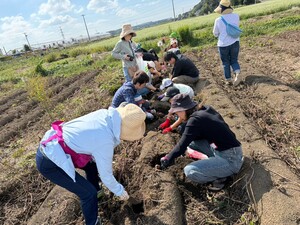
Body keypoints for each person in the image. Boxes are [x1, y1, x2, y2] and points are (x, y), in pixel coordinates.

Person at [36, 103, 146, 225]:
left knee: (92, 164)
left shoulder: (104, 115)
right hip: (50, 163)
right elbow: (106, 177)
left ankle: (98, 194)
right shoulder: (104, 140)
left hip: (60, 147)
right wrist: (122, 193)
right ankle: (93, 222)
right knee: (88, 193)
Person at [160, 94, 243, 191]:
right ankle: (215, 163)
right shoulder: (204, 109)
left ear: (183, 110)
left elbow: (182, 145)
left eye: (177, 113)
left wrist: (167, 158)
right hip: (228, 148)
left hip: (231, 159)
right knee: (193, 143)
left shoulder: (195, 120)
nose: (177, 116)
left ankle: (221, 177)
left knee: (190, 171)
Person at [213, 0, 243, 86]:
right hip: (235, 41)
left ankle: (228, 79)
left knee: (225, 62)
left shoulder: (218, 20)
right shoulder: (236, 16)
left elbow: (215, 33)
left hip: (223, 45)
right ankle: (237, 73)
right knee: (234, 60)